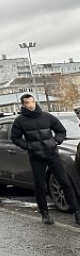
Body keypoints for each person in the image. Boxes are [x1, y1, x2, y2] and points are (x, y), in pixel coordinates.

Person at [10, 94, 80, 225]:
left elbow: (61, 131)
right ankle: (45, 214)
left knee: (64, 182)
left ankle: (77, 212)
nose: (30, 105)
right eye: (27, 103)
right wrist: (28, 146)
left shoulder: (47, 116)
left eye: (32, 102)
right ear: (23, 104)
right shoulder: (19, 120)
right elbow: (15, 138)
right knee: (40, 185)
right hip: (36, 156)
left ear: (35, 102)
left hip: (52, 154)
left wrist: (55, 142)